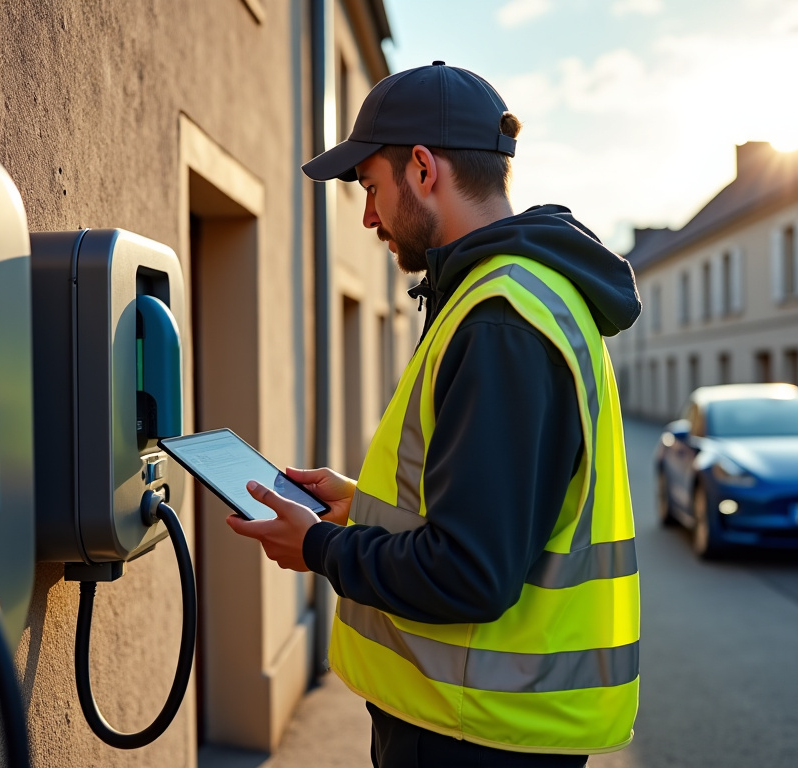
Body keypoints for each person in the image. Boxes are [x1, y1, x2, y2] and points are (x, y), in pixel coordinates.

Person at [226, 61, 642, 767]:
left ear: (422, 169)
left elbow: (470, 572)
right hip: (477, 726)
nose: (366, 216)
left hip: (475, 735)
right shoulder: (505, 299)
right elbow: (483, 519)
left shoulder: (500, 322)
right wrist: (357, 507)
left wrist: (321, 548)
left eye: (370, 187)